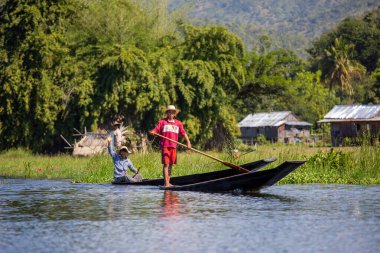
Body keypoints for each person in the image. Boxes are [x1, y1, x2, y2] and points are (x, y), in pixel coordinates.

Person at [150, 105, 191, 187]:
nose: (171, 114)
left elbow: (183, 133)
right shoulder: (162, 122)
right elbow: (156, 130)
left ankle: (168, 182)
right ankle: (166, 183)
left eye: (172, 112)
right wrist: (153, 132)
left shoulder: (178, 123)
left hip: (173, 147)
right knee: (166, 164)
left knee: (171, 165)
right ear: (167, 113)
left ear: (174, 113)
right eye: (169, 112)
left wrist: (188, 142)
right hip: (165, 146)